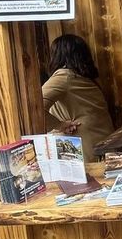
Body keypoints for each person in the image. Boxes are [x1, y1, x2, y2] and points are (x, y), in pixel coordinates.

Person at [42, 34, 115, 162]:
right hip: (101, 143)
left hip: (85, 149)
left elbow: (36, 109)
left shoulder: (64, 77)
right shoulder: (81, 78)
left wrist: (60, 125)